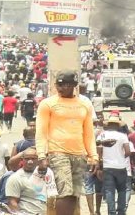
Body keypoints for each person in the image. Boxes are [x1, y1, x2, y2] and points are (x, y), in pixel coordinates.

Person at [35, 70, 98, 215]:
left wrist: (93, 157)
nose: (60, 88)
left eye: (65, 85)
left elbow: (88, 134)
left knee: (74, 194)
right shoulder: (48, 104)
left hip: (79, 154)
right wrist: (41, 155)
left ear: (74, 85)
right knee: (64, 191)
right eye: (58, 85)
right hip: (57, 152)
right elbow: (41, 131)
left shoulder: (84, 105)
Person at [97, 115, 131, 215]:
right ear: (117, 125)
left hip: (107, 167)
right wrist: (121, 157)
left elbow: (98, 150)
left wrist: (100, 164)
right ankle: (121, 212)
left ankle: (111, 212)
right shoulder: (122, 136)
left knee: (109, 191)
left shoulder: (102, 135)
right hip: (121, 167)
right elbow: (128, 152)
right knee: (122, 190)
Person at [5, 147, 47, 214]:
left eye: (33, 158)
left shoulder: (46, 174)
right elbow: (12, 202)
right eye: (27, 159)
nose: (30, 162)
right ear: (22, 160)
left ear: (38, 160)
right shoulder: (15, 178)